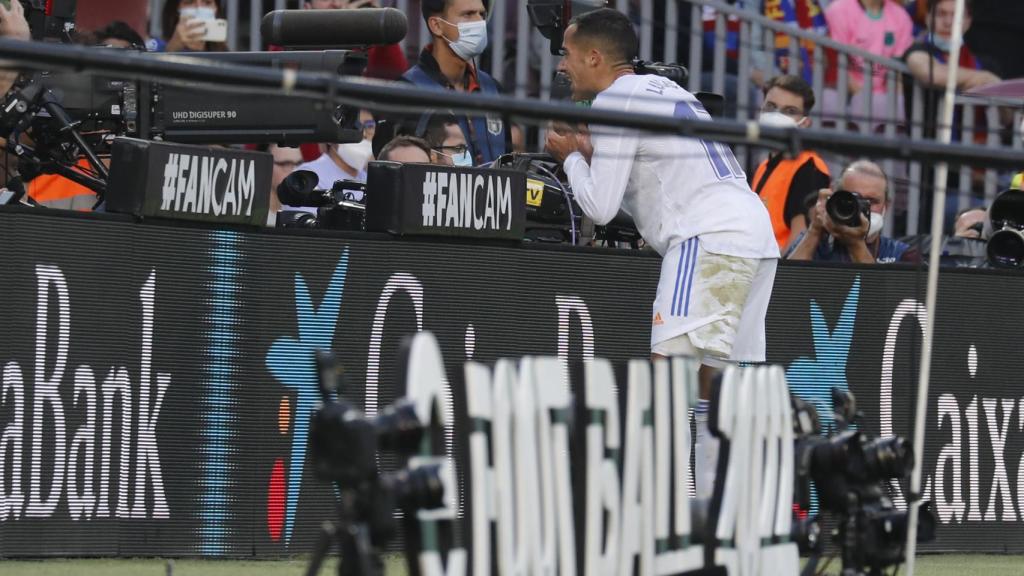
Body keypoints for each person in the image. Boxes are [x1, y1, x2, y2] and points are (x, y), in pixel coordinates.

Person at [544, 8, 779, 500]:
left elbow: (600, 208)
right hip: (754, 236)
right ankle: (719, 520)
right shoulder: (667, 90)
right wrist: (593, 157)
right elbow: (656, 174)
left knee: (668, 383)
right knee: (716, 387)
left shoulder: (614, 101)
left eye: (567, 54)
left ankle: (665, 520)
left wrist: (568, 157)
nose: (561, 65)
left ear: (593, 56)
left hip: (707, 237)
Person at [401, 0, 507, 165]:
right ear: (436, 25)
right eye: (468, 14)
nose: (479, 22)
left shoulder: (493, 89)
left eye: (482, 14)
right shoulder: (407, 91)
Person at [786, 160, 921, 264]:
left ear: (887, 206)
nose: (862, 208)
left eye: (872, 201)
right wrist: (814, 230)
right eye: (853, 199)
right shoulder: (814, 244)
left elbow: (881, 298)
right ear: (834, 200)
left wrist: (856, 244)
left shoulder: (902, 255)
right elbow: (782, 288)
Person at [752, 75, 831, 250]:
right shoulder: (764, 166)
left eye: (790, 111)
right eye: (771, 107)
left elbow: (801, 238)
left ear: (805, 123)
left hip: (781, 272)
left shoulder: (809, 167)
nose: (776, 116)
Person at [824, 0, 913, 126]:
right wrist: (866, 101)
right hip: (844, 95)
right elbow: (837, 63)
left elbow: (897, 74)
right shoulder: (838, 10)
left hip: (882, 99)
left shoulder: (901, 16)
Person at [149, 0, 227, 53]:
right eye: (189, 2)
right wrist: (172, 49)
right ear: (176, 10)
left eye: (207, 2)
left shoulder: (224, 53)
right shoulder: (155, 46)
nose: (199, 8)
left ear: (216, 9)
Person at [261, 144, 304, 226]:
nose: (295, 170)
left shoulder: (306, 213)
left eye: (299, 164)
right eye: (285, 164)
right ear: (266, 166)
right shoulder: (251, 215)